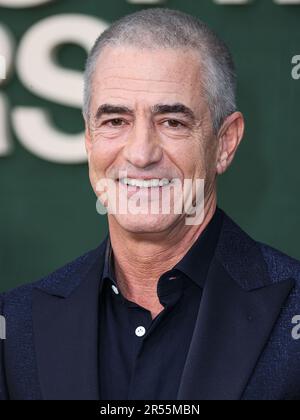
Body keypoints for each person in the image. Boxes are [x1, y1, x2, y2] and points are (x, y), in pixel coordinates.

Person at [1, 8, 300, 401]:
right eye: (115, 121)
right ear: (89, 138)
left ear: (225, 143)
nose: (141, 154)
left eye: (172, 122)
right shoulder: (16, 326)